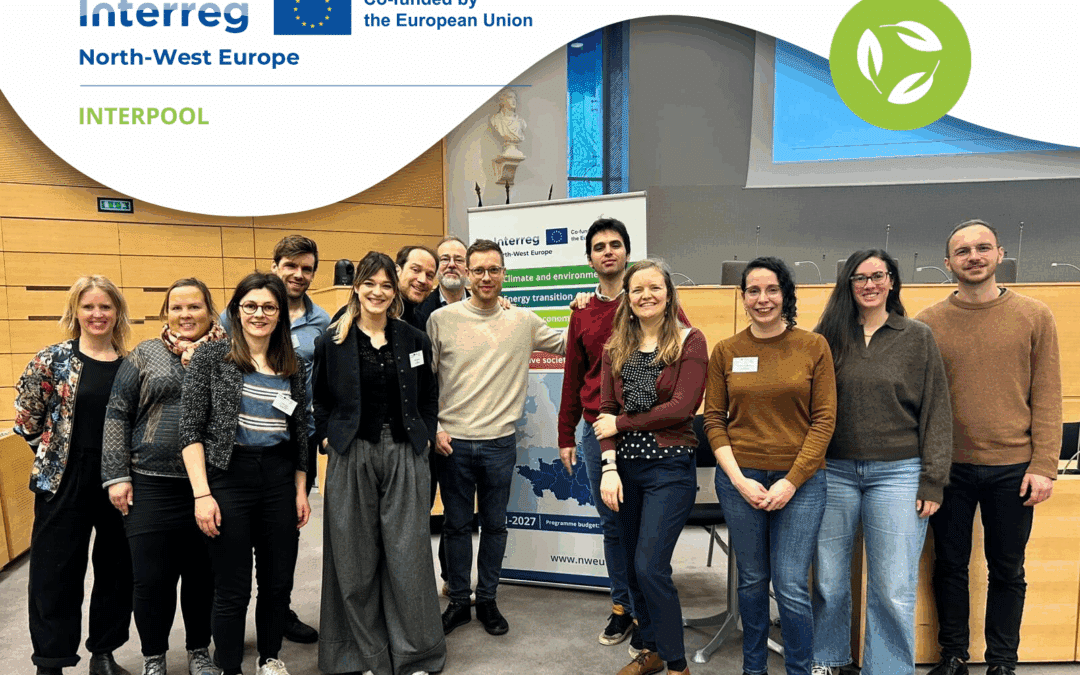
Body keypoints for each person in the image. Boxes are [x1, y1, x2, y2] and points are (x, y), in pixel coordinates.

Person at [917, 220, 1061, 675]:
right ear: (948, 263)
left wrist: (1044, 465)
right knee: (949, 566)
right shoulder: (927, 323)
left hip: (1014, 467)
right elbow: (921, 403)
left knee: (1008, 570)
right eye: (962, 251)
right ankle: (953, 655)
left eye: (982, 248)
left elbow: (1048, 395)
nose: (973, 257)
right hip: (949, 468)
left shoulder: (1035, 315)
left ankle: (1002, 662)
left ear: (1000, 254)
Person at [811, 250, 953, 675]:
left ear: (892, 281)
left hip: (899, 473)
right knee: (828, 580)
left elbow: (937, 410)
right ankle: (828, 660)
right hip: (833, 472)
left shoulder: (917, 336)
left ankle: (887, 669)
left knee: (892, 586)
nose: (869, 284)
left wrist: (933, 480)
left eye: (878, 275)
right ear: (848, 285)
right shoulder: (827, 337)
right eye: (860, 277)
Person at [313, 251, 446, 675]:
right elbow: (319, 398)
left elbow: (428, 394)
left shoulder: (414, 339)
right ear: (356, 287)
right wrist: (328, 435)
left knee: (409, 557)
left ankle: (415, 655)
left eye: (386, 285)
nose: (378, 292)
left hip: (405, 451)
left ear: (395, 291)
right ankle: (363, 656)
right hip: (351, 453)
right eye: (369, 283)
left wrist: (425, 436)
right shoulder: (331, 341)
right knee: (353, 559)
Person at [704, 257, 836, 675]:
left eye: (772, 290)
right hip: (740, 480)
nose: (763, 299)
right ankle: (754, 669)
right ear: (743, 297)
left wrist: (791, 482)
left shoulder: (813, 346)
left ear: (786, 295)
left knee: (791, 584)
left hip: (802, 482)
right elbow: (714, 420)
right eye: (754, 291)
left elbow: (824, 420)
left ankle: (799, 669)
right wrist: (738, 480)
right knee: (752, 580)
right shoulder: (726, 351)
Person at [427, 239, 565, 637]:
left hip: (500, 443)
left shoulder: (523, 321)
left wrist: (590, 307)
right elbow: (425, 383)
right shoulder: (441, 320)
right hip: (452, 444)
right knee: (455, 527)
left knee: (494, 526)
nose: (486, 277)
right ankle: (458, 602)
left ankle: (487, 599)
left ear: (504, 274)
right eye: (479, 270)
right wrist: (435, 427)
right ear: (467, 274)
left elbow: (568, 344)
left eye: (494, 269)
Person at [181, 273, 311, 675]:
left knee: (277, 583)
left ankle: (270, 659)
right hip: (228, 476)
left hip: (279, 477)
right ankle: (231, 668)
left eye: (269, 307)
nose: (259, 314)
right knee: (232, 588)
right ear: (236, 311)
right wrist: (202, 495)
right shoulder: (211, 357)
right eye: (250, 305)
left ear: (280, 314)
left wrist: (301, 490)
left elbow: (300, 433)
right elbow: (190, 430)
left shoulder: (292, 364)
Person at [101, 278, 226, 675]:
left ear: (210, 311)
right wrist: (116, 474)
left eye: (194, 307)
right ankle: (154, 656)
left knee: (202, 575)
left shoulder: (228, 353)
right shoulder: (145, 354)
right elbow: (117, 412)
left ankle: (199, 651)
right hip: (150, 483)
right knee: (151, 579)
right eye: (177, 307)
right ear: (166, 313)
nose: (185, 315)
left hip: (209, 484)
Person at [15, 275, 134, 675]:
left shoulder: (130, 365)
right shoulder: (52, 360)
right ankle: (51, 661)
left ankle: (104, 652)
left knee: (117, 570)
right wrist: (52, 452)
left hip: (118, 478)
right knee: (55, 572)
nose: (97, 314)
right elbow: (27, 417)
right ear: (76, 312)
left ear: (117, 312)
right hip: (63, 480)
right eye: (89, 306)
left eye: (105, 306)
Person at [595, 259, 708, 675]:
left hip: (669, 468)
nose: (646, 295)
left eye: (654, 287)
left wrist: (622, 424)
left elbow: (681, 408)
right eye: (637, 289)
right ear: (627, 297)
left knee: (650, 566)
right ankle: (652, 650)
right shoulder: (615, 347)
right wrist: (609, 466)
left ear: (668, 292)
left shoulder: (690, 340)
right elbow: (605, 410)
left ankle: (678, 666)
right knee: (631, 567)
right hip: (624, 470)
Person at [220, 234, 329, 644]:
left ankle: (279, 613)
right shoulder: (239, 312)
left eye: (306, 268)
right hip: (238, 449)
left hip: (295, 442)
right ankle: (229, 628)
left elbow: (325, 379)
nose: (298, 274)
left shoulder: (321, 321)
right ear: (276, 266)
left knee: (283, 537)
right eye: (291, 266)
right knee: (233, 546)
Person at [557, 217, 639, 647]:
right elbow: (573, 376)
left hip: (644, 430)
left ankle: (648, 608)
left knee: (643, 525)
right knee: (612, 525)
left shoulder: (650, 299)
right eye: (599, 246)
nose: (608, 251)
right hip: (595, 431)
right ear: (590, 259)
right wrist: (565, 435)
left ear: (627, 252)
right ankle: (622, 608)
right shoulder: (583, 312)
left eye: (615, 244)